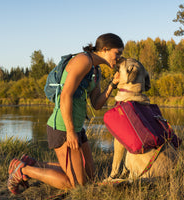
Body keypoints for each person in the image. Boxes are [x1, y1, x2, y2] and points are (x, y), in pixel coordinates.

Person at [7, 33, 124, 194]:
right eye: (117, 53)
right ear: (105, 49)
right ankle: (23, 170)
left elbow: (96, 104)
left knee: (90, 178)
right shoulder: (83, 61)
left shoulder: (96, 70)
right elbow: (65, 95)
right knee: (76, 185)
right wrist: (69, 131)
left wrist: (112, 84)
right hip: (62, 127)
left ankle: (32, 163)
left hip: (77, 128)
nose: (119, 58)